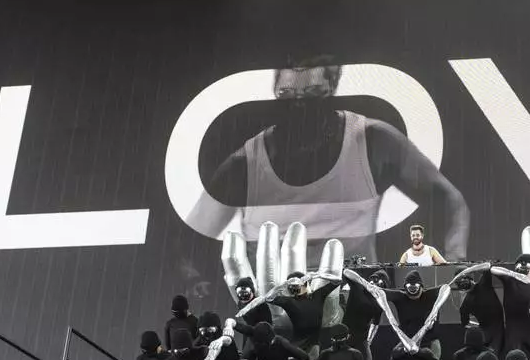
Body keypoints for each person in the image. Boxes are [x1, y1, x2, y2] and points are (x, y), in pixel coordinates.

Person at [194, 59, 471, 262]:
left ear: (333, 86)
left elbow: (449, 200)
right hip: (274, 317)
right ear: (275, 91)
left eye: (313, 94)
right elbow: (188, 242)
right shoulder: (246, 163)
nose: (299, 105)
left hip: (352, 311)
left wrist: (454, 262)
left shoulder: (372, 141)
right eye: (288, 95)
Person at [273, 273, 341, 355]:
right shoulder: (289, 302)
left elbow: (338, 281)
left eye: (296, 285)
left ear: (305, 283)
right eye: (291, 286)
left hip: (314, 345)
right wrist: (283, 285)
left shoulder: (317, 295)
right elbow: (269, 298)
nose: (294, 288)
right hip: (297, 345)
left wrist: (317, 275)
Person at [384, 272, 443, 359]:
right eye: (410, 290)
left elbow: (446, 287)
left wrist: (436, 309)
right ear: (405, 289)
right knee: (394, 359)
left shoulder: (430, 295)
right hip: (408, 341)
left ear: (421, 287)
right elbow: (378, 292)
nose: (413, 295)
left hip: (430, 340)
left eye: (415, 288)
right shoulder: (400, 297)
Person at [502, 254, 530, 360]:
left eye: (525, 264)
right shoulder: (509, 280)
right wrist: (512, 273)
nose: (523, 267)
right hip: (513, 328)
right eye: (520, 264)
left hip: (528, 326)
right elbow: (493, 269)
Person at [342, 270, 388, 360]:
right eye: (373, 279)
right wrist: (364, 283)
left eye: (378, 281)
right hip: (346, 333)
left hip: (361, 338)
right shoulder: (359, 287)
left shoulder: (379, 302)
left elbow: (376, 323)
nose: (374, 283)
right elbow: (346, 272)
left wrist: (369, 340)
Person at [457, 269, 504, 353]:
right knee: (490, 355)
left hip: (497, 328)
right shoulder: (466, 302)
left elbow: (487, 267)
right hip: (488, 331)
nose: (462, 283)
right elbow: (465, 323)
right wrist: (478, 328)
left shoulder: (483, 284)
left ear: (469, 278)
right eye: (459, 282)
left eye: (463, 279)